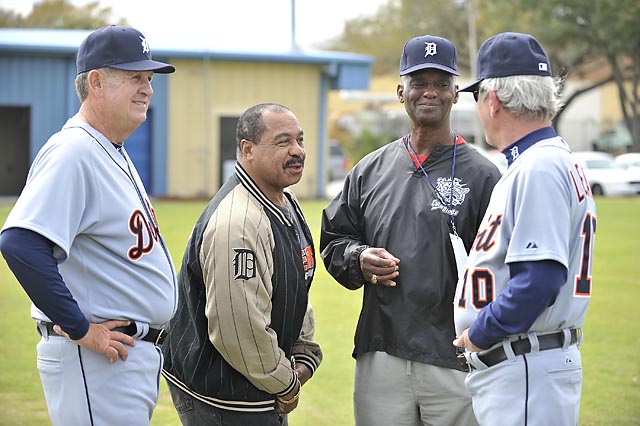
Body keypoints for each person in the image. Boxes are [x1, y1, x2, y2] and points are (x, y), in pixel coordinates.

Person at [320, 35, 501, 426]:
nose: (430, 92)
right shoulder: (370, 169)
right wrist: (359, 257)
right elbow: (334, 241)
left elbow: (503, 265)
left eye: (441, 82)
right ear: (401, 91)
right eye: (420, 82)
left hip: (455, 355)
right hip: (381, 351)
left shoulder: (484, 175)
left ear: (456, 92)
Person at [0, 25, 177, 425]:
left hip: (123, 359)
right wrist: (81, 328)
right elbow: (20, 242)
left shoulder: (111, 148)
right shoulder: (73, 150)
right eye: (135, 77)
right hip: (96, 359)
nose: (147, 88)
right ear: (95, 82)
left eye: (149, 79)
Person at [453, 32, 596, 426]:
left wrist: (481, 331)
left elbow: (539, 279)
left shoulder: (539, 167)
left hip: (526, 363)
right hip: (528, 363)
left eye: (476, 95)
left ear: (493, 100)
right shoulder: (543, 161)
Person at [161, 103, 322, 426]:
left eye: (300, 140)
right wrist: (286, 381)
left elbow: (293, 286)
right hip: (224, 396)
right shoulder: (239, 222)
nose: (297, 151)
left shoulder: (284, 203)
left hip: (258, 386)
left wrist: (304, 351)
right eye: (282, 142)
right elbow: (237, 329)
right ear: (247, 149)